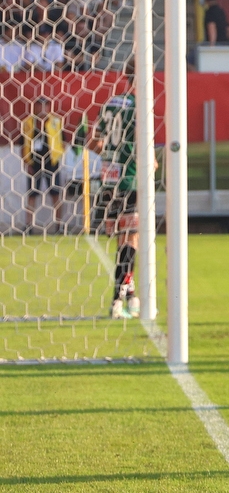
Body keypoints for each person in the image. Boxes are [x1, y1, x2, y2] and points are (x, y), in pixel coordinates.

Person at [89, 69, 140, 319]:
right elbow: (143, 143)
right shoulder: (138, 107)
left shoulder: (109, 103)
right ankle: (118, 300)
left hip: (109, 177)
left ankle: (131, 295)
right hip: (130, 179)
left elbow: (91, 141)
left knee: (125, 239)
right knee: (130, 239)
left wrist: (110, 156)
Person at [21, 96, 65, 234]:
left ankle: (59, 226)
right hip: (34, 163)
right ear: (35, 107)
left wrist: (58, 155)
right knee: (32, 195)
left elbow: (62, 140)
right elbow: (23, 143)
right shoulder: (28, 122)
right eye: (39, 106)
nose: (42, 109)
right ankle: (29, 226)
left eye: (45, 106)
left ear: (48, 108)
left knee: (55, 194)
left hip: (51, 163)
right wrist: (26, 162)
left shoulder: (56, 122)